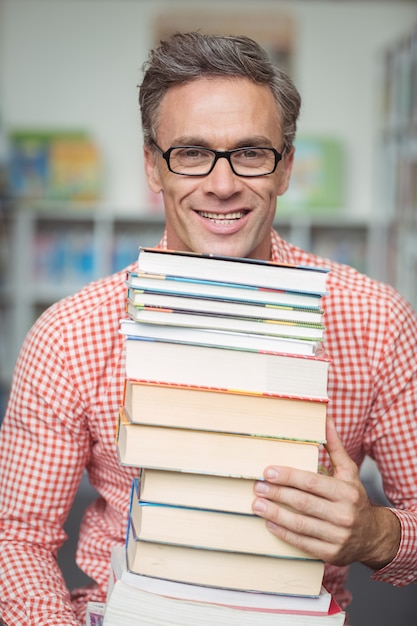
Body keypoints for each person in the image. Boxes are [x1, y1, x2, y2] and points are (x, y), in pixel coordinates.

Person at [1, 31, 417, 626]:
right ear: (152, 164)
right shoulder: (69, 334)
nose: (222, 185)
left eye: (250, 152)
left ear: (287, 167)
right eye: (192, 153)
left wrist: (376, 535)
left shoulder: (377, 321)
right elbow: (15, 538)